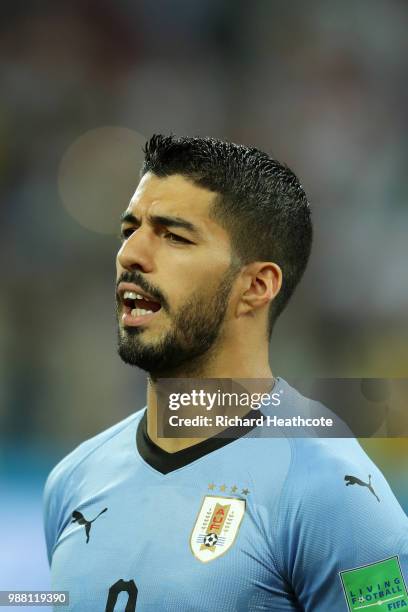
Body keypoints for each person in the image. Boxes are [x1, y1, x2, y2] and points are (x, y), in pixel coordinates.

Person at [43, 135, 408, 611]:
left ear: (257, 286)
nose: (131, 254)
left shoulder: (332, 495)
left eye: (173, 235)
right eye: (130, 230)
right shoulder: (73, 480)